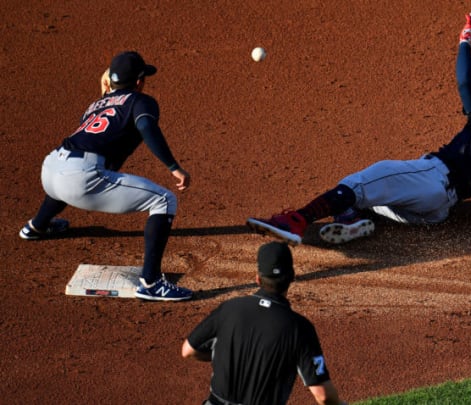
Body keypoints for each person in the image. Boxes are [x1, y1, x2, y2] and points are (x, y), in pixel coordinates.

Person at [246, 13, 471, 246]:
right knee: (373, 199)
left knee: (361, 181)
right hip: (436, 213)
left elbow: (465, 83)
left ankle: (295, 221)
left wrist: (467, 40)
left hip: (431, 179)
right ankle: (351, 220)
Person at [19, 51, 193, 301]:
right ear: (139, 81)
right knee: (164, 200)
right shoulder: (141, 101)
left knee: (66, 180)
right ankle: (152, 283)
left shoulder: (94, 106)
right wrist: (174, 167)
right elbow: (146, 127)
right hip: (80, 177)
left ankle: (36, 226)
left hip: (50, 168)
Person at [181, 241, 346, 405]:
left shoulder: (229, 308)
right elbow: (322, 395)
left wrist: (229, 357)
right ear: (292, 277)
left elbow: (188, 351)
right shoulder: (300, 327)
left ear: (258, 278)